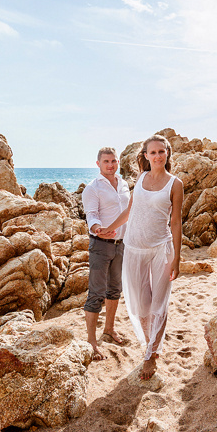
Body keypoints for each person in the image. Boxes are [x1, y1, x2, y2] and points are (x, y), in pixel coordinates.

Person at [99, 134, 184, 381]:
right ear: (146, 156)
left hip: (161, 249)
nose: (157, 156)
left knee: (159, 303)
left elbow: (176, 222)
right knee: (140, 304)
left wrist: (177, 258)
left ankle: (150, 355)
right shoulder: (142, 177)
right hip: (134, 248)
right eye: (153, 152)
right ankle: (151, 344)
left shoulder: (175, 184)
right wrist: (109, 228)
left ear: (167, 153)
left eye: (161, 151)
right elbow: (130, 210)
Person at [80, 146, 131, 361]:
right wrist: (98, 228)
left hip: (122, 244)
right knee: (96, 293)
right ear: (98, 164)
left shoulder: (125, 185)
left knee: (115, 289)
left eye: (113, 161)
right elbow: (91, 215)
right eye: (106, 161)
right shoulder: (92, 188)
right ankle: (91, 341)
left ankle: (109, 329)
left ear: (118, 162)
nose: (110, 165)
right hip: (100, 245)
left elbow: (130, 212)